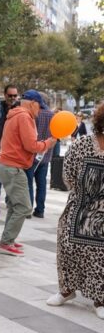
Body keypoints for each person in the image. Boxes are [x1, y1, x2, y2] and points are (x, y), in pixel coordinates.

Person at [47, 103, 104, 318]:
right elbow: (68, 175)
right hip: (78, 208)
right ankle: (67, 290)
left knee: (100, 255)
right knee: (68, 247)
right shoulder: (81, 145)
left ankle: (100, 299)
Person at [0, 90, 56, 256]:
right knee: (25, 207)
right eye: (39, 107)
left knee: (15, 205)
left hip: (5, 164)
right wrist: (48, 143)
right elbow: (31, 146)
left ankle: (7, 239)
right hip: (12, 166)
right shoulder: (24, 117)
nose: (39, 111)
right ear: (33, 103)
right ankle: (5, 243)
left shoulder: (15, 115)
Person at [26, 92, 53, 219]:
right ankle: (40, 210)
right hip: (46, 154)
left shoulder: (34, 114)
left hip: (32, 153)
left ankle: (28, 208)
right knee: (41, 184)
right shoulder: (53, 116)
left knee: (28, 182)